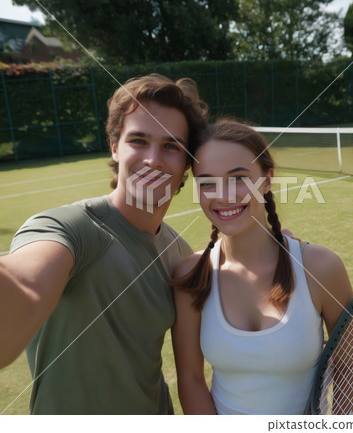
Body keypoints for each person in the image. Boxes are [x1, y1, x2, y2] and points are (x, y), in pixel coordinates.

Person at [0, 73, 208, 414]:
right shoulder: (68, 228)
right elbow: (24, 286)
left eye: (171, 146)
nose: (154, 160)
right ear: (115, 146)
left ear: (187, 162)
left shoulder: (178, 253)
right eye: (139, 140)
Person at [171, 118, 353, 415]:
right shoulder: (192, 275)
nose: (223, 196)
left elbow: (347, 365)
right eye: (207, 182)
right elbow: (191, 379)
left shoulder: (321, 267)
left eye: (239, 178)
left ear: (267, 180)